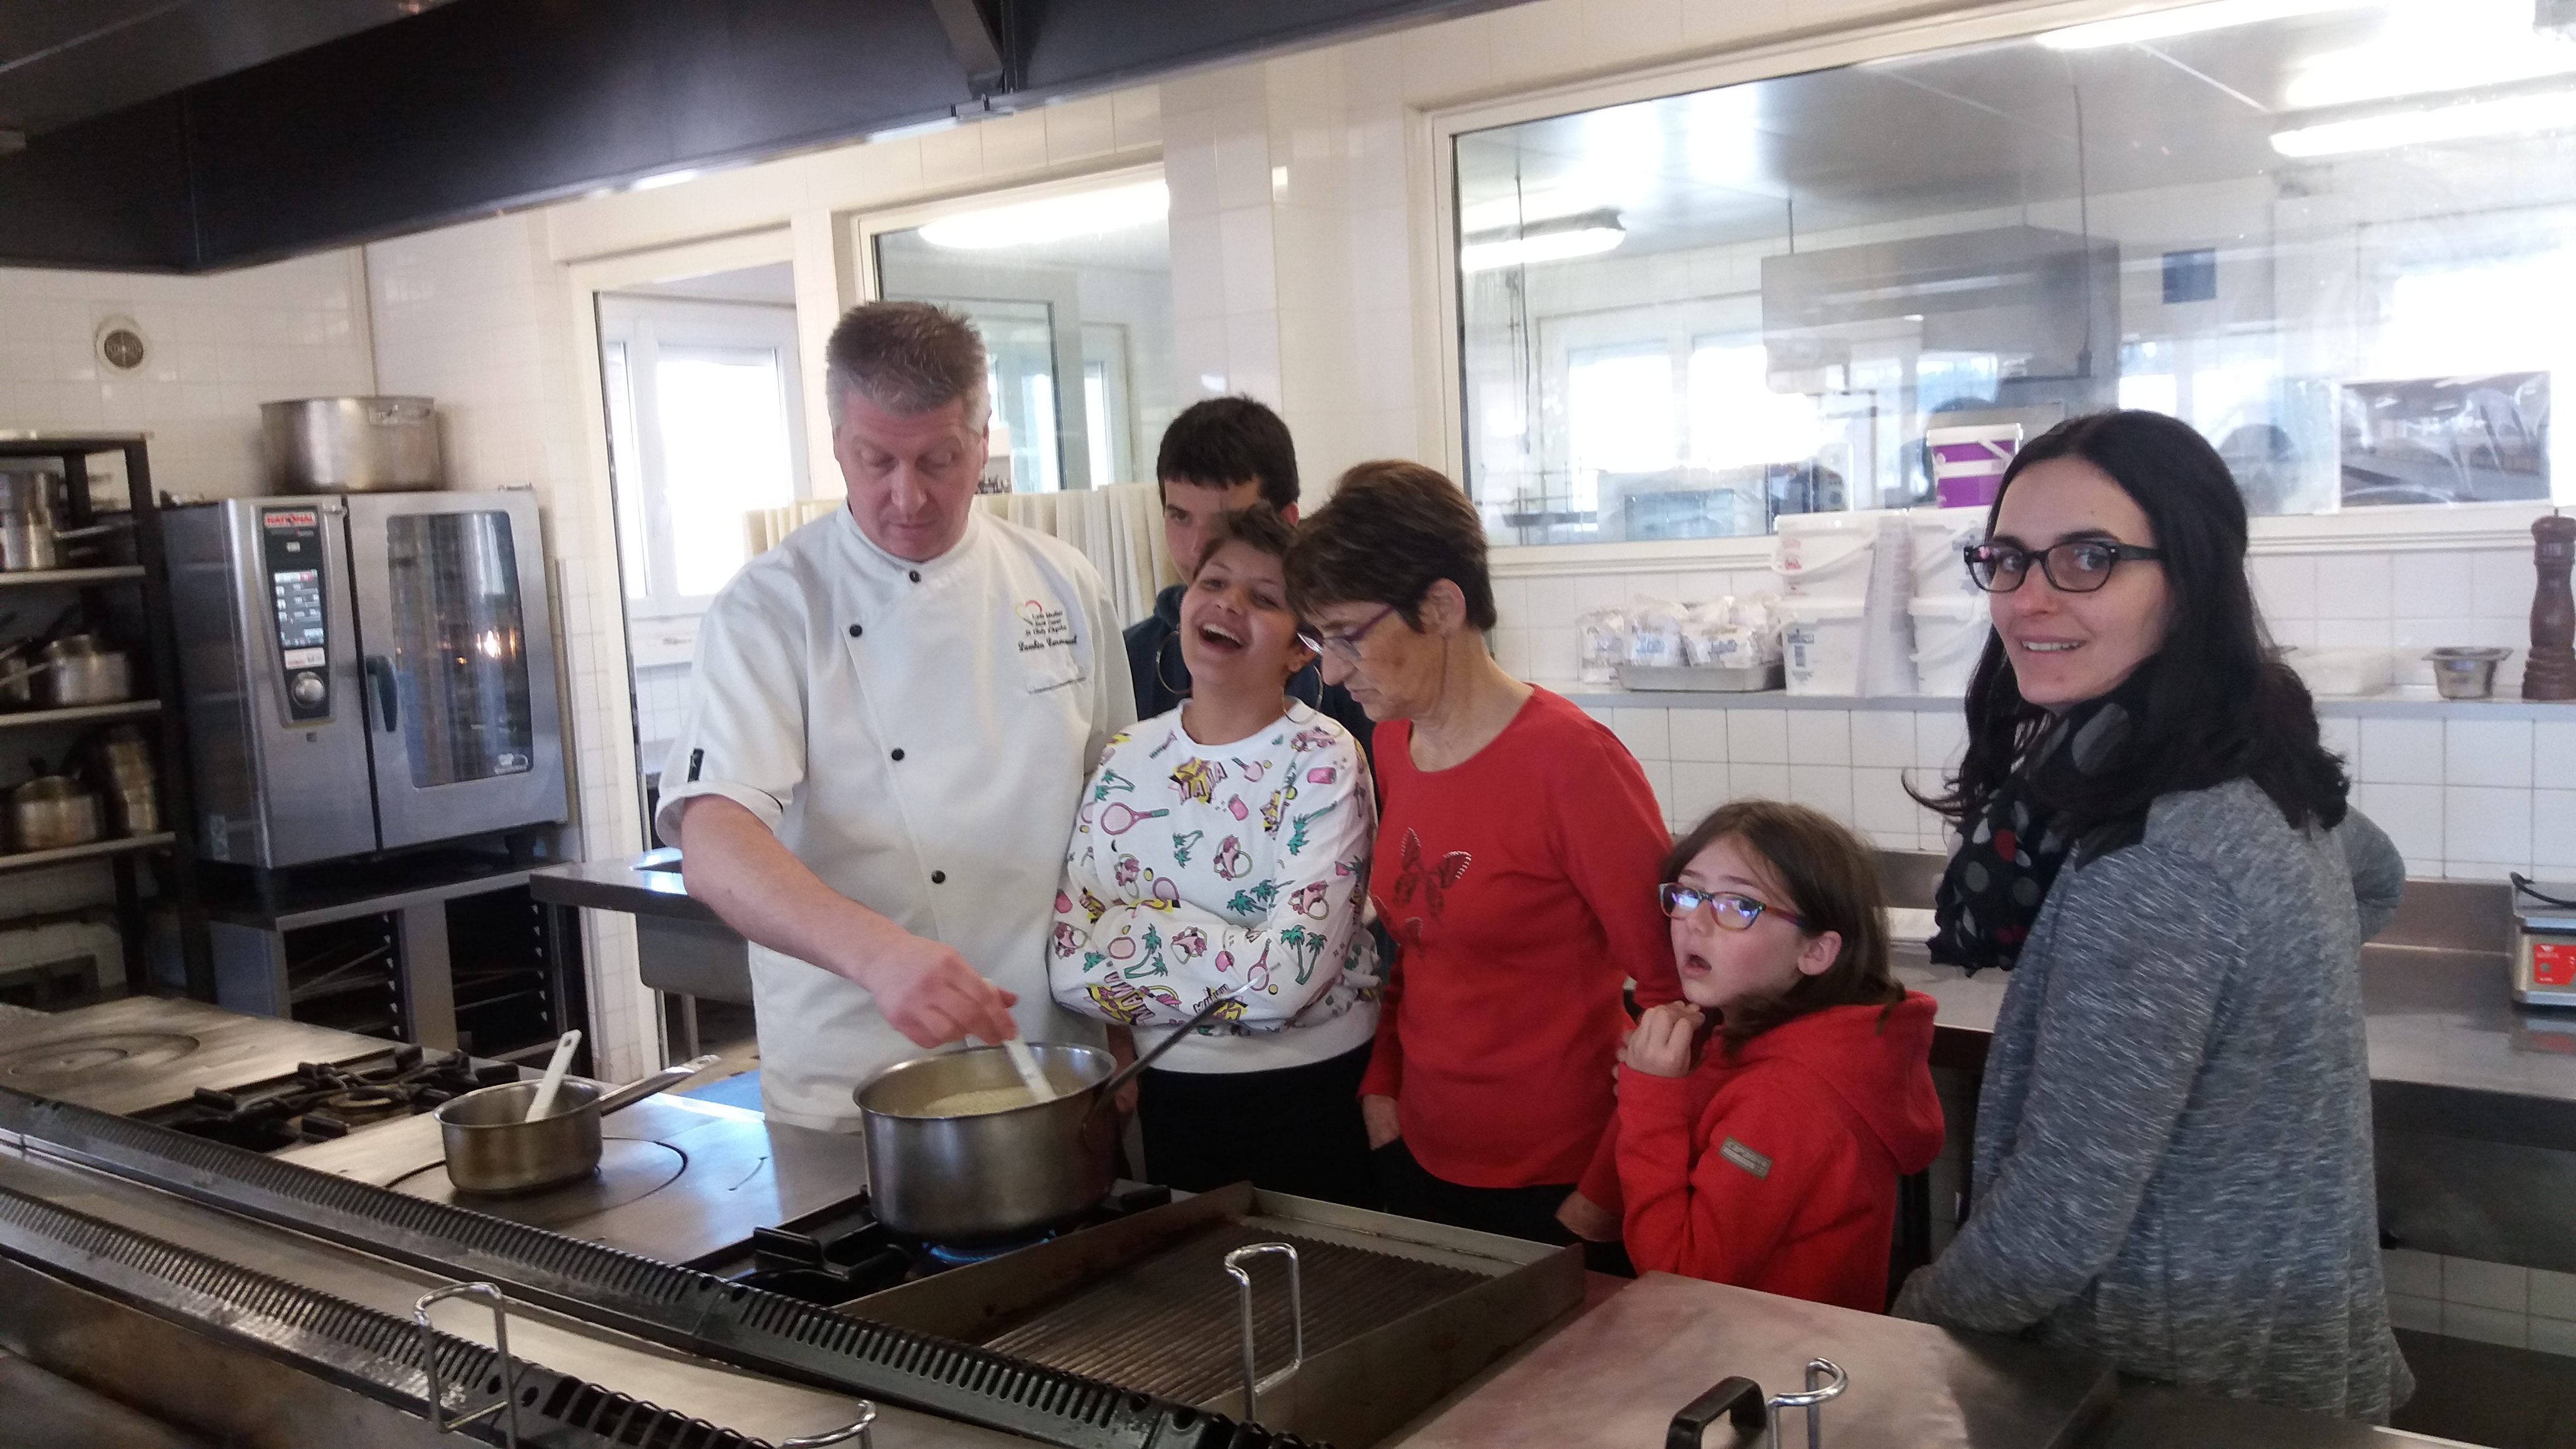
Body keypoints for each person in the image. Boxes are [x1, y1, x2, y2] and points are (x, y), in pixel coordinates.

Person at [1890, 410, 2412, 1422]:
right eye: (2006, 557)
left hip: (2178, 1385)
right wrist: (2243, 1024)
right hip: (2273, 1348)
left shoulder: (2162, 859)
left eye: (2088, 557)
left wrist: (1909, 1320)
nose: (2028, 598)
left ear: (2190, 577)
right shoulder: (2234, 756)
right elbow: (2374, 874)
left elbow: (2057, 1220)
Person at [660, 301, 1134, 1131]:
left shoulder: (1063, 583)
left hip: (1051, 1060)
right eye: (875, 460)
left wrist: (1125, 1035)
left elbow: (1118, 821)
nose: (906, 495)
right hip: (856, 1083)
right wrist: (878, 953)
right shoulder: (773, 606)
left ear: (983, 443)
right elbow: (715, 843)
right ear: (838, 444)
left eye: (939, 460)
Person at [1285, 459, 1679, 1263]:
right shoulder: (1393, 743)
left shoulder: (1573, 765)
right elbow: (1415, 944)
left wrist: (1599, 1200)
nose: (1329, 669)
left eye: (1347, 636)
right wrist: (1382, 1087)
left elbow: (1678, 997)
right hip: (1423, 1160)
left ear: (1441, 606)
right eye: (1317, 639)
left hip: (1559, 1186)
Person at [1052, 506, 1380, 1205]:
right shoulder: (1124, 757)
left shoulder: (1325, 761)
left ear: (1301, 650)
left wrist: (1137, 931)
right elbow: (1066, 964)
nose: (1229, 603)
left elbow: (1290, 981)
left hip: (1313, 1095)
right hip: (1170, 1095)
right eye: (1214, 582)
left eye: (1265, 599)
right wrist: (1245, 951)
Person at [1616, 799, 1941, 1311]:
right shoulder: (1747, 1035)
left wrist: (1652, 1099)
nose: (1694, 922)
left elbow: (1681, 1276)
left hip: (1764, 1368)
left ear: (1816, 952)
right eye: (1688, 892)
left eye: (1737, 907)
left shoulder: (1788, 1097)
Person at [1125, 396, 1373, 753]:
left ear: (1286, 520)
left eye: (1227, 523)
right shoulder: (1132, 657)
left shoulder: (1351, 660)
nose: (1197, 548)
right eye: (1179, 516)